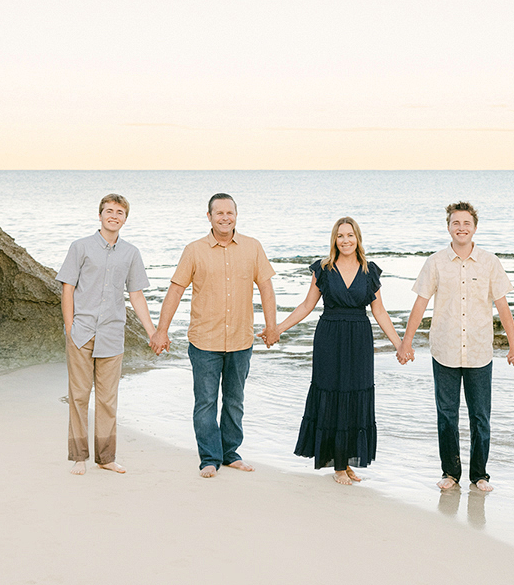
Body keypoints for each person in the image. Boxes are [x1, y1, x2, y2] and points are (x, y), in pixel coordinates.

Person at [397, 201, 514, 492]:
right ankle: (450, 473)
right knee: (446, 414)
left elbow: (503, 307)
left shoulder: (490, 262)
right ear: (448, 227)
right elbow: (420, 303)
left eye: (466, 223)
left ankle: (480, 475)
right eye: (456, 223)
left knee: (480, 417)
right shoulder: (435, 262)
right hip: (444, 350)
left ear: (475, 227)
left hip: (479, 351)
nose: (461, 228)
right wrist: (406, 343)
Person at [149, 193, 278, 478]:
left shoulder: (253, 247)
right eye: (218, 213)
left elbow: (266, 288)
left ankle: (231, 454)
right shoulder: (194, 250)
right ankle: (209, 458)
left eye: (229, 212)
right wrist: (161, 330)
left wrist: (272, 326)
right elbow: (175, 290)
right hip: (204, 341)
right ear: (208, 217)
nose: (225, 217)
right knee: (205, 402)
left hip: (240, 341)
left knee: (235, 401)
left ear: (236, 215)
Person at [268, 217, 403, 485]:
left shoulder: (369, 270)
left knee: (356, 393)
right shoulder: (323, 269)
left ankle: (349, 460)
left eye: (350, 235)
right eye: (340, 236)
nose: (345, 240)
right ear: (334, 239)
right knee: (332, 392)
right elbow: (306, 306)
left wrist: (400, 344)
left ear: (358, 238)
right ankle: (338, 465)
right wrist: (277, 328)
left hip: (359, 338)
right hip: (330, 336)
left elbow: (379, 311)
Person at [58, 193, 157, 475]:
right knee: (78, 396)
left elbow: (136, 294)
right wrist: (70, 327)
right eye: (109, 211)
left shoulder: (131, 253)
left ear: (126, 218)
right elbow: (67, 288)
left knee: (107, 400)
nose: (114, 216)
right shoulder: (80, 247)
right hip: (82, 332)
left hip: (113, 334)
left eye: (119, 212)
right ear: (100, 214)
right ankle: (79, 457)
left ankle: (105, 458)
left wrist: (152, 331)